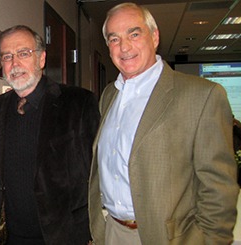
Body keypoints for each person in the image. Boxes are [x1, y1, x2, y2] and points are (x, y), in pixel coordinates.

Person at [88, 3, 239, 245]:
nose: (124, 47)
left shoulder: (202, 95)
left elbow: (218, 186)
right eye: (114, 39)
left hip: (170, 238)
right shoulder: (109, 95)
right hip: (111, 232)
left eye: (134, 34)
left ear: (155, 36)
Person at [0, 25, 100, 245]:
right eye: (7, 56)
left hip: (63, 237)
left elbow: (98, 175)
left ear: (42, 59)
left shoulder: (78, 103)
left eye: (23, 53)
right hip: (8, 237)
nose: (15, 63)